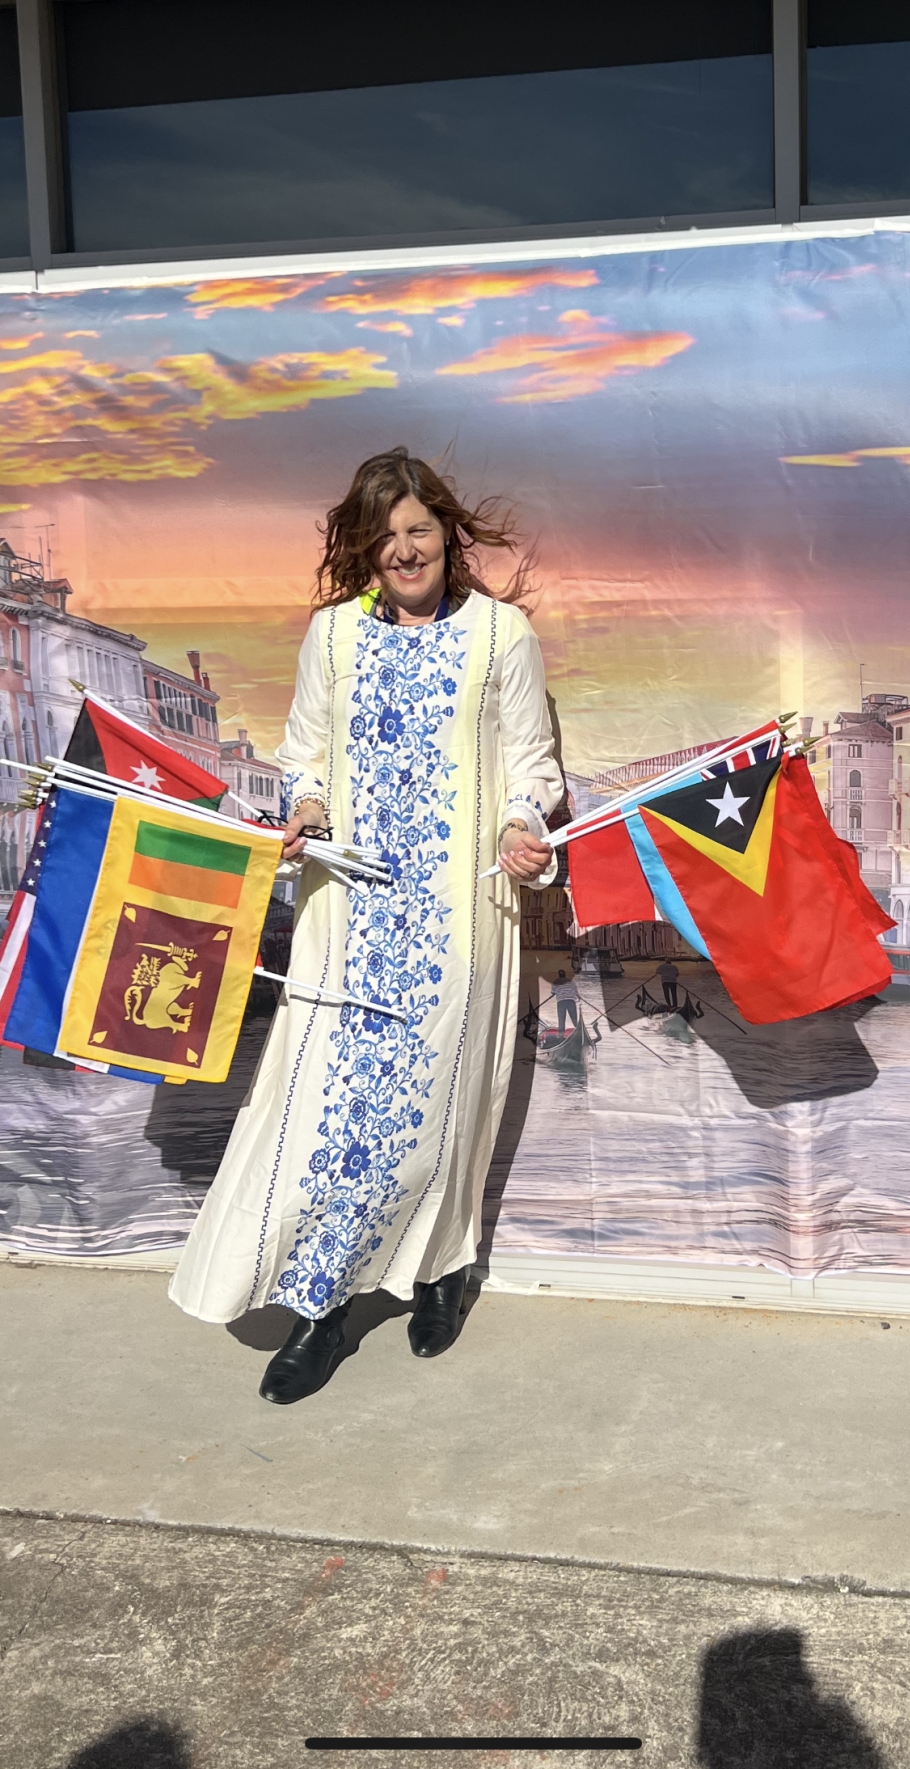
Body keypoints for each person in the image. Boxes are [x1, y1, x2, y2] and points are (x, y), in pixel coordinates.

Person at [169, 447, 562, 1403]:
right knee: (330, 1112)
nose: (405, 551)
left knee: (442, 1108)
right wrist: (305, 809)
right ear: (362, 547)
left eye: (419, 530)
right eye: (384, 537)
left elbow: (533, 766)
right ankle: (323, 1308)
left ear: (448, 534)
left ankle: (442, 1268)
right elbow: (304, 755)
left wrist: (523, 826)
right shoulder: (334, 636)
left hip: (460, 912)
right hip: (349, 913)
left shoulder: (502, 635)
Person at [551, 968, 579, 1035]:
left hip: (561, 1002)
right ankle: (578, 1030)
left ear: (559, 975)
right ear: (565, 975)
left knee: (561, 1020)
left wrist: (557, 992)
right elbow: (575, 992)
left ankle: (561, 1035)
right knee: (574, 1018)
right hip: (571, 1001)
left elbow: (553, 992)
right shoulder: (572, 982)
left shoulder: (555, 982)